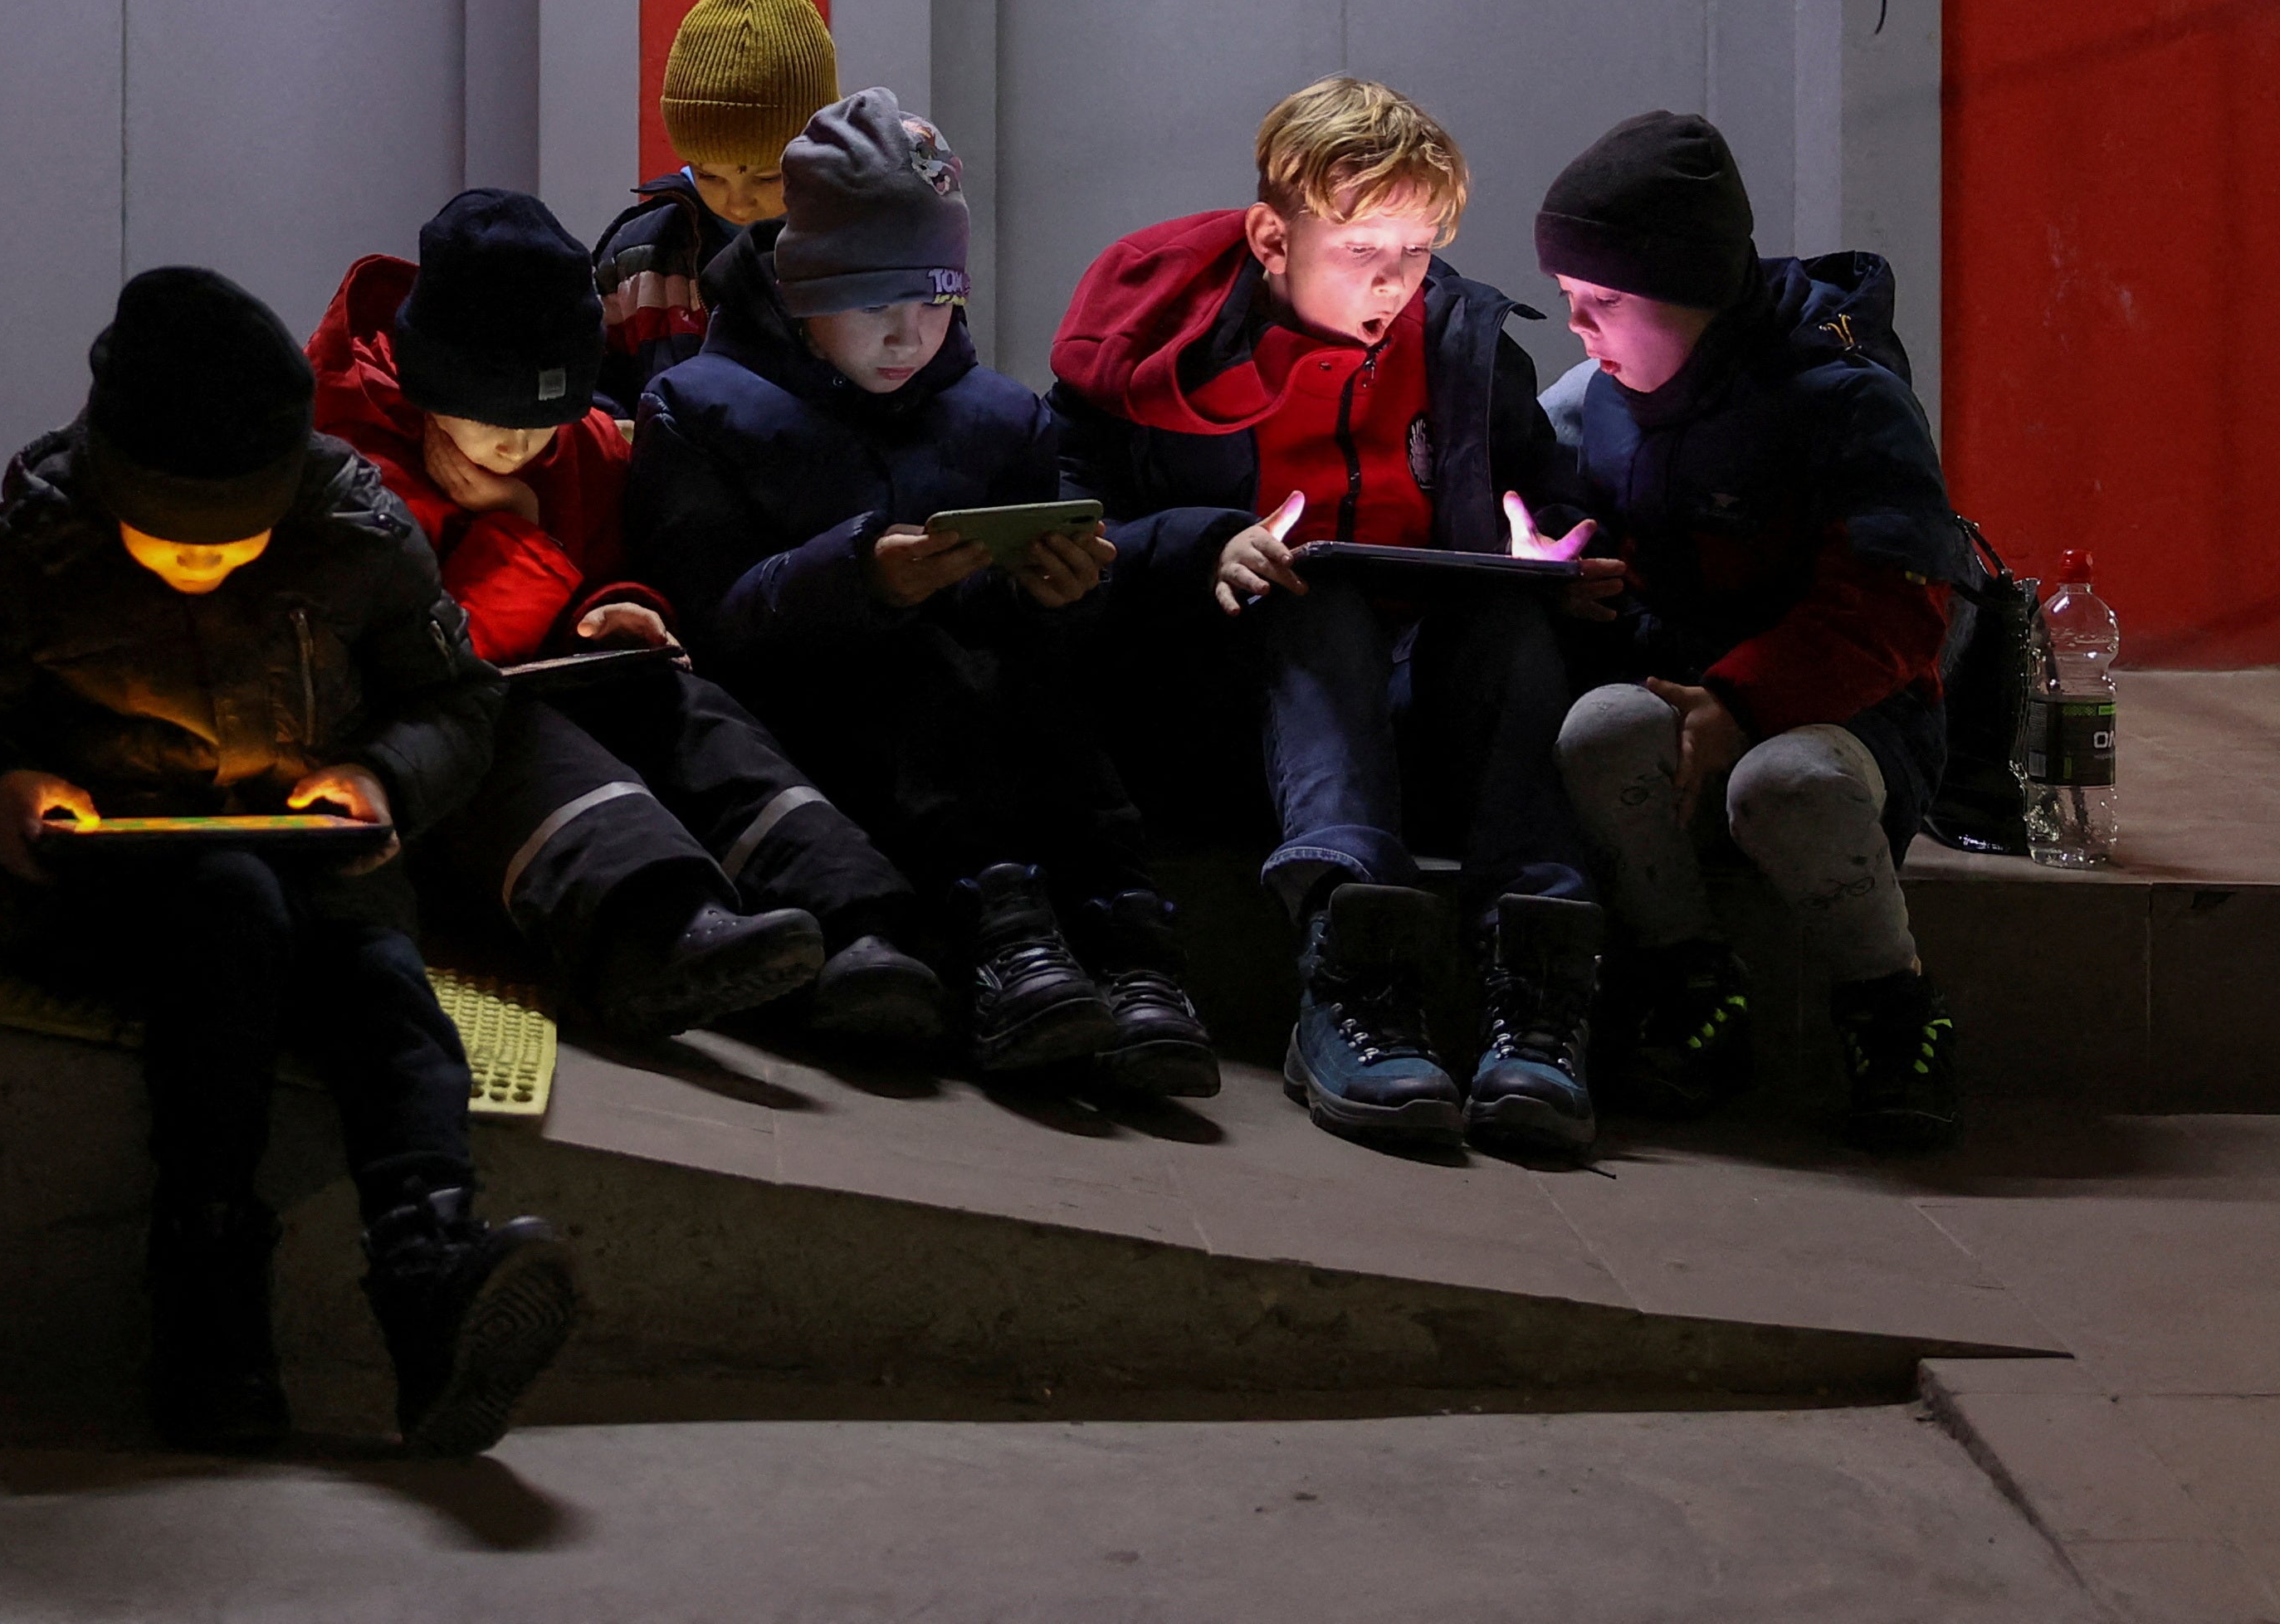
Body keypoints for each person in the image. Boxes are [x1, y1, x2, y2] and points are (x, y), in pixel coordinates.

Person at [0, 267, 579, 1458]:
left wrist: (381, 783)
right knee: (228, 907)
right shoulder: (34, 545)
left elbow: (456, 703)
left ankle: (430, 1273)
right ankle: (207, 1312)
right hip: (95, 891)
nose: (199, 567)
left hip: (316, 861)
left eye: (233, 542)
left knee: (384, 988)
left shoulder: (357, 534)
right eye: (167, 541)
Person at [1046, 77, 1607, 1162]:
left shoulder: (1464, 348)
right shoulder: (1154, 337)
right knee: (1317, 591)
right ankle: (1352, 983)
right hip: (1220, 704)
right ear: (1270, 236)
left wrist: (1554, 553)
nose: (1395, 283)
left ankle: (1533, 1001)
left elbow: (1546, 503)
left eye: (1418, 250)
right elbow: (1069, 526)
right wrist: (1202, 540)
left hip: (1414, 704)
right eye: (1361, 252)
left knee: (1515, 629)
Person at [624, 90, 1216, 1094]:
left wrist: (1056, 589)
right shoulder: (697, 405)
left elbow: (1050, 626)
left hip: (994, 720)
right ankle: (1004, 941)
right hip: (828, 727)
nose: (910, 334)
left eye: (936, 301)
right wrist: (858, 576)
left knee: (1048, 707)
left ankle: (1130, 948)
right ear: (803, 289)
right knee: (911, 676)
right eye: (875, 303)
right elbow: (710, 623)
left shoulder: (1001, 418)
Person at [307, 192, 949, 1051]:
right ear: (426, 383)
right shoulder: (347, 464)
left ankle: (852, 920)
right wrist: (518, 527)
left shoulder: (584, 444)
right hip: (430, 738)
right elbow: (436, 654)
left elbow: (612, 560)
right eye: (496, 423)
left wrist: (624, 606)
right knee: (508, 730)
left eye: (546, 425)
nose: (521, 447)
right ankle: (652, 928)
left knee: (684, 705)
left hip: (565, 682)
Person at [1535, 111, 1975, 1154]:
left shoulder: (1843, 399)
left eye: (1604, 303)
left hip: (1847, 712)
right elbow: (1553, 517)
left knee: (1786, 783)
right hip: (1684, 697)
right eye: (1567, 304)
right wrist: (1556, 568)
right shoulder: (1594, 398)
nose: (1580, 331)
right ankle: (1689, 978)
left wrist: (1741, 698)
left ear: (1692, 292)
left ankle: (1892, 1006)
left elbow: (1897, 602)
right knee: (1596, 729)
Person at [590, 0, 841, 409]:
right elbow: (595, 401)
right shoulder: (637, 257)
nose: (738, 203)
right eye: (708, 175)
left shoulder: (863, 248)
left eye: (767, 178)